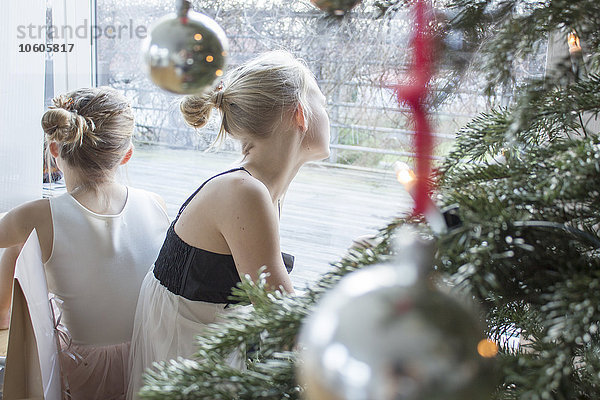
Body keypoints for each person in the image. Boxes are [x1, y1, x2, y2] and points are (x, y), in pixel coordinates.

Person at [127, 50, 330, 398]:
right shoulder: (243, 192)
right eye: (323, 104)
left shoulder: (260, 188)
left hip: (207, 344)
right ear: (301, 114)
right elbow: (283, 316)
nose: (329, 115)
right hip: (187, 358)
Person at [0, 87, 170, 399]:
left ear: (55, 149)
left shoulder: (39, 216)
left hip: (84, 370)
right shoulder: (155, 204)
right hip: (149, 360)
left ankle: (2, 315)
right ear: (127, 154)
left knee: (17, 244)